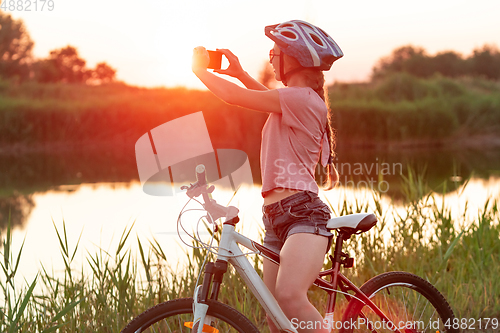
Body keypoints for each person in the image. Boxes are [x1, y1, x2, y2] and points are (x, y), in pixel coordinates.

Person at [192, 19, 343, 333]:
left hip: (303, 213)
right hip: (276, 216)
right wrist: (241, 74)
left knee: (289, 297)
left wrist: (200, 71)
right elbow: (266, 99)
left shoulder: (300, 98)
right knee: (276, 318)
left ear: (295, 57)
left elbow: (234, 98)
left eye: (275, 52)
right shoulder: (295, 99)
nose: (272, 57)